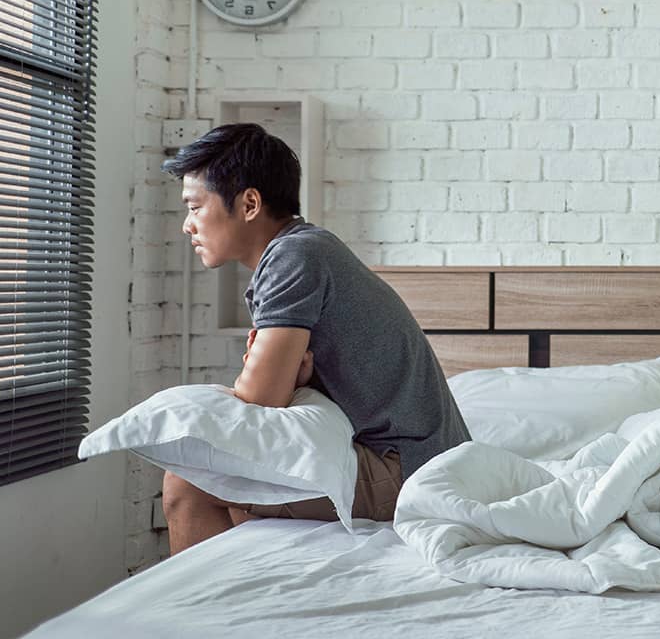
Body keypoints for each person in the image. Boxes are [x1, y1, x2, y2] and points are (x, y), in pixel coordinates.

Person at [158, 123, 471, 553]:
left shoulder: (294, 258)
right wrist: (293, 380)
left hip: (412, 471)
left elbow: (259, 401)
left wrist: (277, 380)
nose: (187, 226)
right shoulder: (306, 250)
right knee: (236, 499)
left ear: (249, 203)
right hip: (422, 460)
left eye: (195, 207)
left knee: (189, 481)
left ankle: (190, 620)